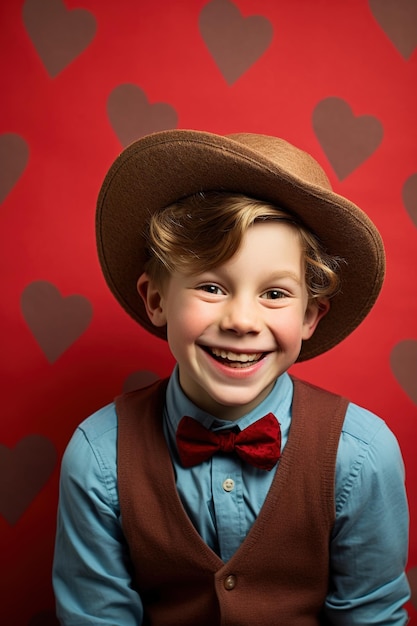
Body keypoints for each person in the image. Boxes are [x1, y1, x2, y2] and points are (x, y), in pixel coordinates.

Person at [53, 129, 410, 625]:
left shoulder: (363, 455)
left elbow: (371, 615)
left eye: (275, 294)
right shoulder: (97, 455)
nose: (242, 320)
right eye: (212, 285)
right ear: (157, 300)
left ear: (311, 316)